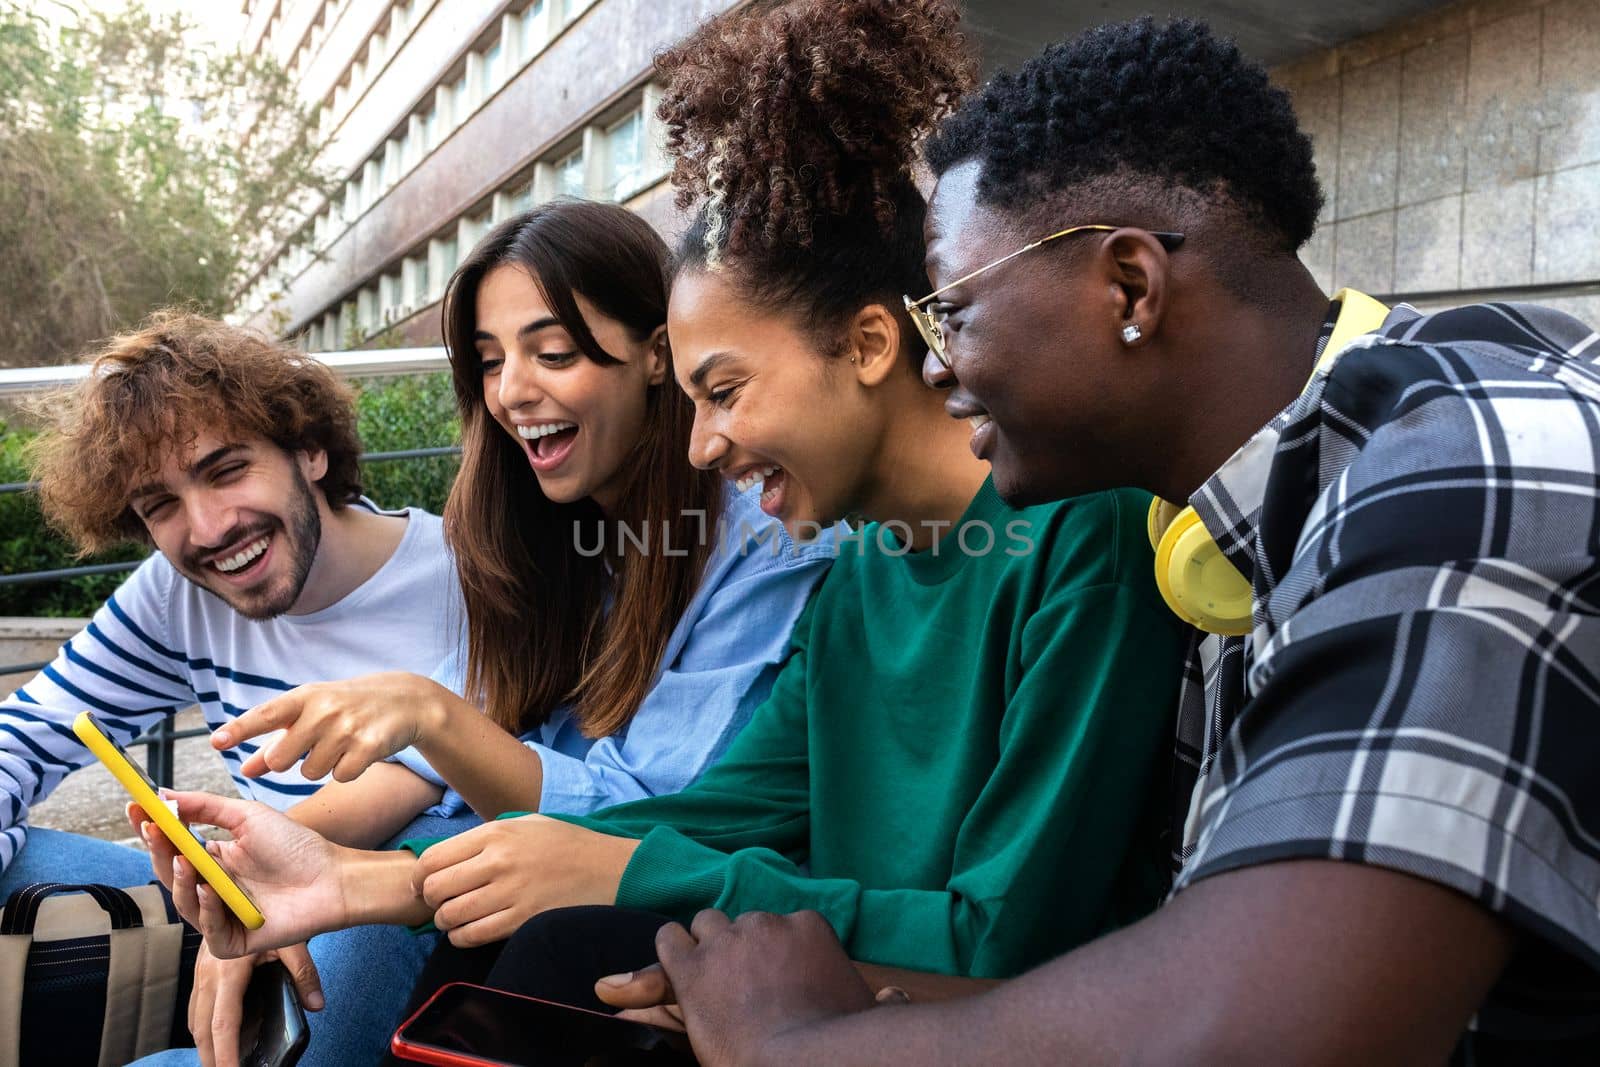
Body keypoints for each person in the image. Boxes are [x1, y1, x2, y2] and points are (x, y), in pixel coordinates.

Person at [140, 0, 1189, 1022]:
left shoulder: (1079, 537)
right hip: (837, 999)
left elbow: (997, 938)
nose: (698, 446)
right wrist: (360, 878)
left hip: (981, 1026)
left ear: (870, 346)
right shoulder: (863, 568)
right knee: (544, 947)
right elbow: (710, 814)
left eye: (723, 392)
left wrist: (618, 877)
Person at [593, 17, 1600, 1065]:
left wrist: (789, 1041)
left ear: (1127, 286)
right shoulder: (1234, 537)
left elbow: (1264, 1027)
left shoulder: (1474, 459)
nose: (935, 371)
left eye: (955, 313)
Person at [134, 200, 838, 1067]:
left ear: (661, 353)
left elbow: (646, 824)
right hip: (472, 903)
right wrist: (264, 866)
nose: (512, 392)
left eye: (553, 352)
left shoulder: (771, 533)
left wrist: (428, 722)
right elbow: (419, 761)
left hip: (626, 939)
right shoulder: (543, 529)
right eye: (490, 361)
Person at [0, 311, 463, 1060]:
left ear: (309, 449)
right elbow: (35, 725)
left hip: (389, 908)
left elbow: (415, 789)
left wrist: (252, 888)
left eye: (226, 469)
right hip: (237, 894)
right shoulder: (176, 592)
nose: (209, 526)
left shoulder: (463, 577)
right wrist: (233, 903)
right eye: (161, 505)